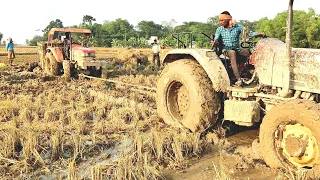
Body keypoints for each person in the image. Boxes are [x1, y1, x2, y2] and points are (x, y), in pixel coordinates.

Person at [211, 11, 265, 86]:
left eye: (222, 20)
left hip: (237, 49)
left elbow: (249, 33)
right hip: (226, 50)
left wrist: (259, 34)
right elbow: (216, 39)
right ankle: (238, 79)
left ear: (228, 20)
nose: (220, 22)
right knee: (232, 53)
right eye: (220, 20)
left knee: (249, 51)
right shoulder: (220, 29)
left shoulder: (237, 27)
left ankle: (252, 73)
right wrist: (215, 42)